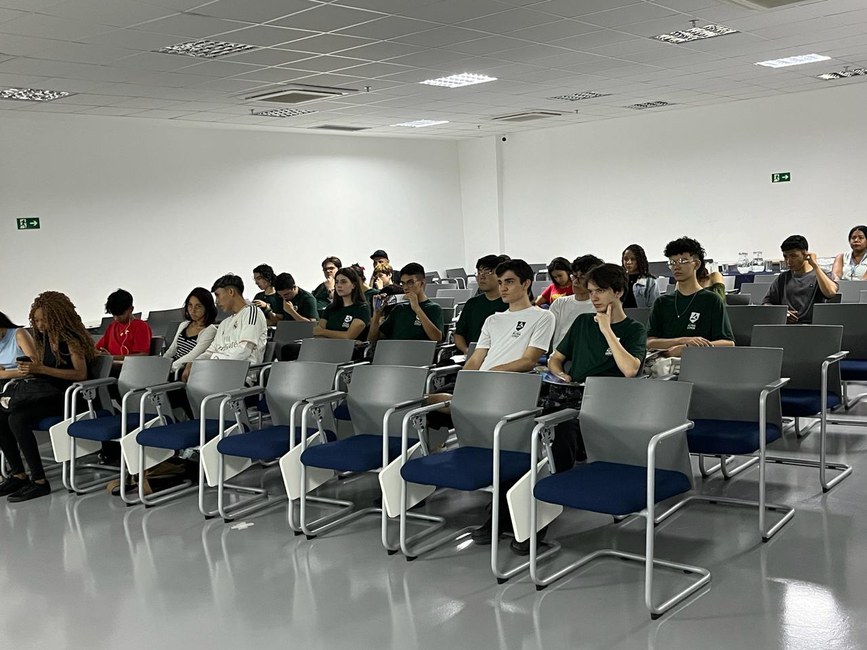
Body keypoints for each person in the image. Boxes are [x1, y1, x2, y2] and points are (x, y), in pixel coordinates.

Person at [512, 264, 648, 555]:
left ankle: (538, 519)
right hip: (570, 394)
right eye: (592, 290)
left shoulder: (634, 329)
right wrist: (559, 372)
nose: (594, 296)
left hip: (606, 406)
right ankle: (511, 505)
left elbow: (630, 370)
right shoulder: (583, 322)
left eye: (601, 291)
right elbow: (556, 358)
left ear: (619, 292)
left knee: (559, 432)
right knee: (524, 427)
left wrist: (607, 329)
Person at [0, 292, 95, 501]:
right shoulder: (44, 339)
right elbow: (43, 371)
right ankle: (18, 474)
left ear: (58, 316)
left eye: (44, 319)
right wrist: (31, 369)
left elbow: (80, 374)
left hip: (70, 398)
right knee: (1, 416)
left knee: (17, 418)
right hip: (48, 394)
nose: (40, 324)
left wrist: (41, 369)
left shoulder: (70, 340)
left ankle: (39, 482)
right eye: (36, 320)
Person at [647, 237, 734, 357]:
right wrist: (683, 340)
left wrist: (688, 349)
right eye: (672, 262)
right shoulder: (661, 302)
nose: (676, 267)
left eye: (683, 261)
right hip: (664, 365)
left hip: (700, 363)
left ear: (696, 264)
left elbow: (728, 343)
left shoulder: (711, 300)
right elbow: (649, 342)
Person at [183, 274, 267, 380]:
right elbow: (210, 351)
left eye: (218, 295)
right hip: (217, 371)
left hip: (240, 376)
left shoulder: (252, 312)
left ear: (231, 292)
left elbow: (244, 351)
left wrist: (211, 362)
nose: (216, 301)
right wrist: (194, 363)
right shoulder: (224, 323)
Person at [763, 234, 838, 324]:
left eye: (793, 256)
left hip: (814, 327)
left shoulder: (822, 274)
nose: (788, 261)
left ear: (805, 254)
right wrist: (783, 314)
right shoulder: (782, 278)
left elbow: (830, 293)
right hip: (787, 329)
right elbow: (766, 304)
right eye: (785, 256)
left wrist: (815, 266)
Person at [368, 263, 443, 344]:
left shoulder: (433, 308)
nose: (405, 287)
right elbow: (372, 341)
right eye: (403, 283)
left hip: (419, 354)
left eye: (410, 282)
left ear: (422, 283)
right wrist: (377, 314)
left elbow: (437, 338)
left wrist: (417, 308)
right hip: (395, 352)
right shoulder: (399, 309)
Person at [453, 255, 509, 355]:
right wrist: (467, 351)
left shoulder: (509, 303)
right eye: (479, 272)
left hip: (500, 354)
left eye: (488, 272)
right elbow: (459, 334)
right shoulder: (472, 303)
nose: (481, 277)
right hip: (471, 354)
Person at [549, 254, 601, 347]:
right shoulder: (559, 303)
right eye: (574, 276)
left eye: (582, 278)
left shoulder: (600, 306)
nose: (576, 282)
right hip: (558, 358)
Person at [163, 288, 218, 373]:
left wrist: (169, 368)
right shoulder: (184, 325)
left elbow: (193, 355)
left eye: (198, 306)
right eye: (190, 305)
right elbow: (172, 349)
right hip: (171, 367)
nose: (193, 310)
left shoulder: (210, 330)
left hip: (184, 369)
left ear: (207, 308)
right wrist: (161, 364)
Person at [313, 267, 371, 341]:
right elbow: (317, 333)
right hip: (327, 348)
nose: (339, 285)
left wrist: (323, 332)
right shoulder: (330, 308)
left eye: (343, 282)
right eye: (337, 282)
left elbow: (348, 336)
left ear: (353, 285)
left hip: (350, 350)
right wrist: (324, 333)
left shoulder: (362, 308)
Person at [94, 289, 152, 362]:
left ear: (131, 309)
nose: (116, 318)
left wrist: (112, 357)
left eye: (120, 314)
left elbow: (142, 355)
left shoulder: (140, 326)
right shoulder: (112, 326)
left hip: (130, 367)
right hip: (111, 366)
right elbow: (98, 348)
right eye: (114, 315)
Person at [621, 244, 660, 309]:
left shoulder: (650, 281)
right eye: (625, 259)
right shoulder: (619, 280)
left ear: (639, 260)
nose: (628, 262)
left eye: (633, 259)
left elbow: (654, 307)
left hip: (641, 317)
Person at [0, 311, 36, 380]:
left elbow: (34, 367)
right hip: (9, 381)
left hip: (28, 381)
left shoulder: (19, 334)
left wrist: (5, 374)